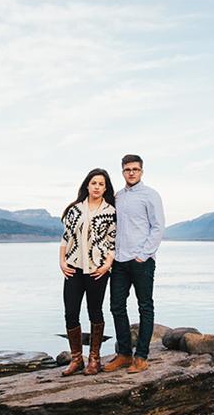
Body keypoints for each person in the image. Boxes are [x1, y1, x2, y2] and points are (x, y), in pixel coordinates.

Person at [104, 154, 164, 374]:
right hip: (119, 261)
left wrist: (144, 254)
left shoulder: (150, 195)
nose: (131, 173)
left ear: (141, 171)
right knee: (116, 306)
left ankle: (141, 357)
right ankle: (124, 354)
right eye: (127, 169)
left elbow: (158, 227)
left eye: (135, 169)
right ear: (122, 172)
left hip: (141, 261)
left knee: (145, 306)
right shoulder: (118, 197)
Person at [59, 168, 117, 376]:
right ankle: (76, 359)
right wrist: (62, 262)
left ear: (106, 188)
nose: (97, 187)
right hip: (73, 267)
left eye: (101, 184)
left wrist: (107, 264)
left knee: (95, 311)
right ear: (87, 185)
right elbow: (65, 238)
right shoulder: (74, 209)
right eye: (94, 183)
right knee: (70, 312)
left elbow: (112, 241)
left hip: (97, 269)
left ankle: (94, 359)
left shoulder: (111, 211)